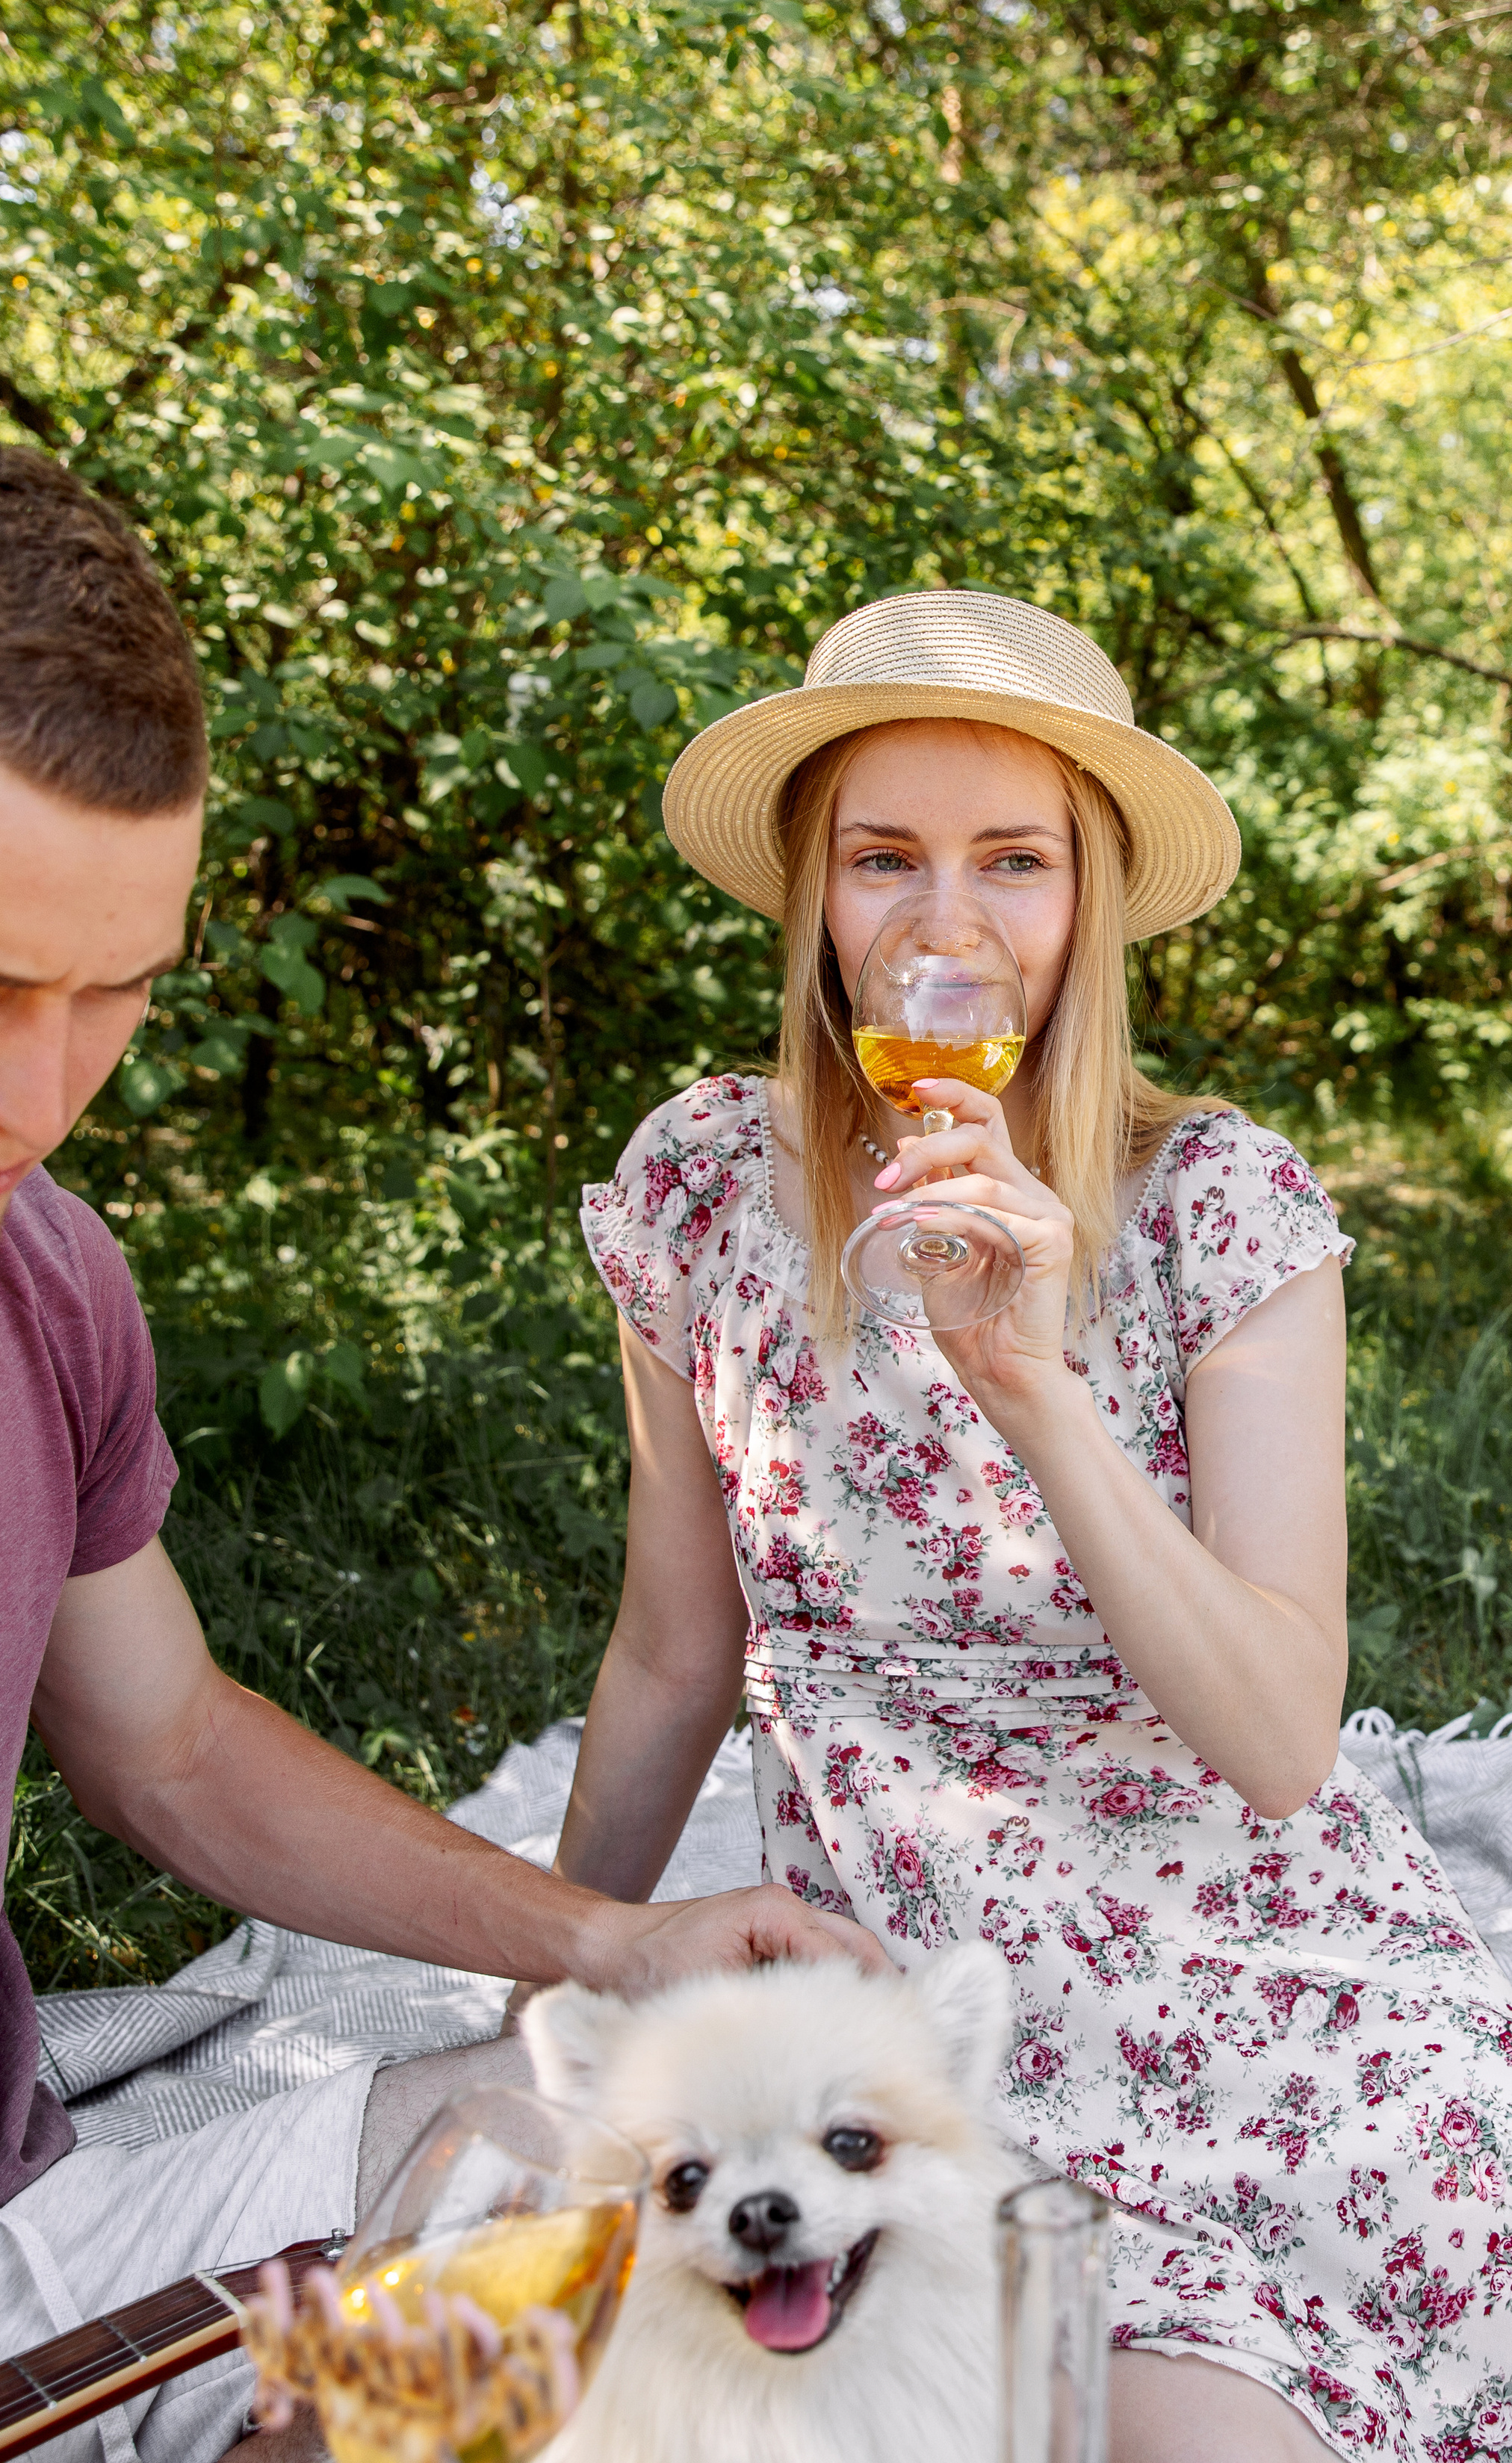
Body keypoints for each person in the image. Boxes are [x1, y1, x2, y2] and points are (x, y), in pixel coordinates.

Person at [0, 424, 885, 2463]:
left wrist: (610, 1938)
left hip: (42, 2252)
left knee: (701, 2224)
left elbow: (171, 1739)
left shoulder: (33, 1270)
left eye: (114, 990)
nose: (34, 1093)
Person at [554, 591, 1512, 2462]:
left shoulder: (1213, 1207)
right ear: (809, 899)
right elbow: (674, 1650)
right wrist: (557, 1965)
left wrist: (1033, 1387)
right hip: (912, 2018)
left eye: (1013, 862)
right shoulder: (693, 1189)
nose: (942, 927)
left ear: (1085, 903)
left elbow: (1275, 1733)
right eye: (880, 859)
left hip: (1249, 1983)